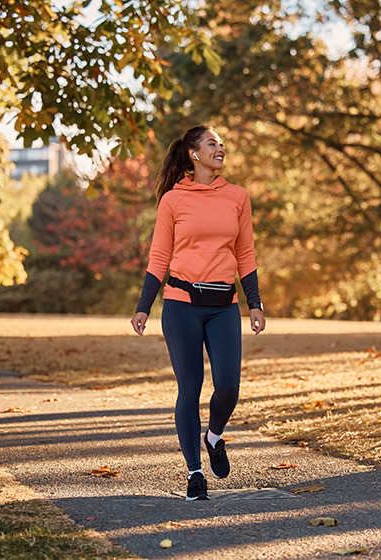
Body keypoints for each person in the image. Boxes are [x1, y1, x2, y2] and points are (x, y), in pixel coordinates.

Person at [130, 125, 266, 501]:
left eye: (221, 143)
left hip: (224, 307)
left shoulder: (237, 197)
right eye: (211, 143)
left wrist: (255, 303)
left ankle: (214, 436)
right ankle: (194, 473)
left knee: (229, 386)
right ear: (194, 154)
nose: (220, 148)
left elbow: (245, 254)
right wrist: (143, 306)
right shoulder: (173, 200)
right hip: (181, 305)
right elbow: (159, 256)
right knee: (189, 389)